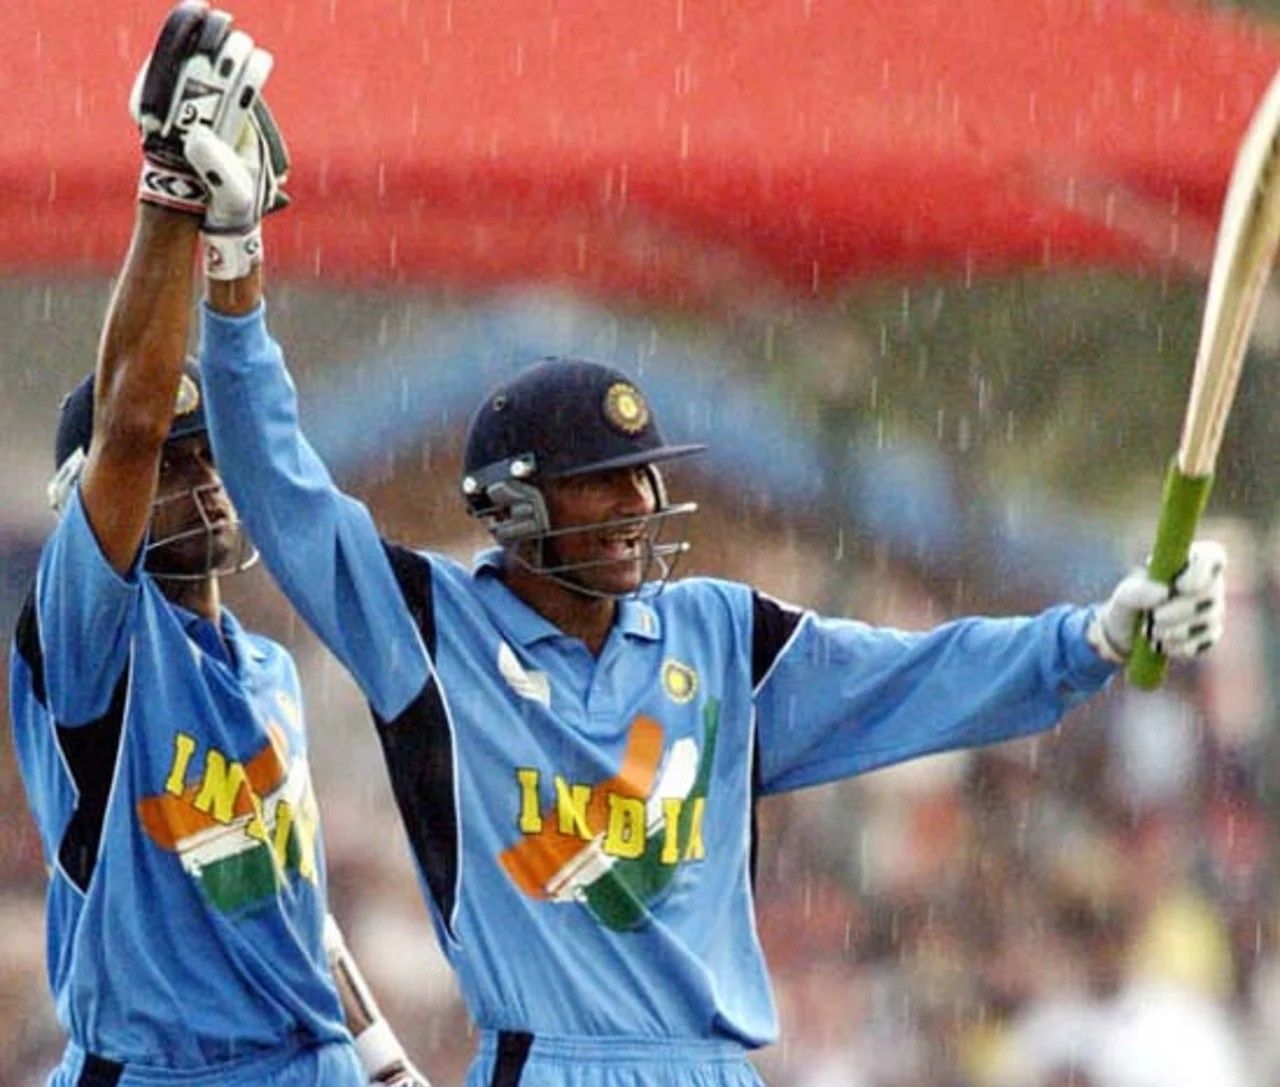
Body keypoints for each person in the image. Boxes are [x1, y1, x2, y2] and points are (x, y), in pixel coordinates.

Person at [187, 43, 1228, 1087]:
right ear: (515, 507)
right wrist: (233, 267)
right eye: (604, 482)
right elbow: (278, 485)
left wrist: (1092, 634)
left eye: (644, 478)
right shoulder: (426, 629)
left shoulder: (724, 637)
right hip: (549, 1065)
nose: (639, 506)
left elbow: (925, 675)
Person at [8, 6, 425, 1085]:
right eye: (173, 467)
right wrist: (171, 197)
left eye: (211, 460)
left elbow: (291, 906)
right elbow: (131, 423)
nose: (200, 483)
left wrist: (384, 1065)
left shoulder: (268, 669)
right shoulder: (94, 639)